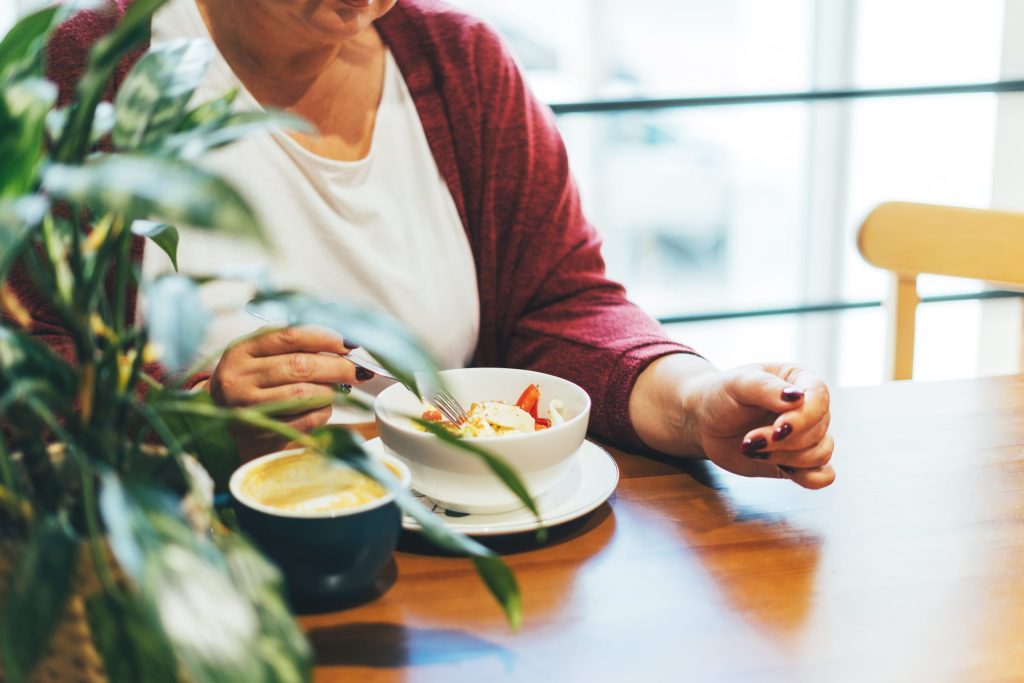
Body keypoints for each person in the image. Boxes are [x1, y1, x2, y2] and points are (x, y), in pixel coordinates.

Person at [35, 0, 834, 488]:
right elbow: (29, 363)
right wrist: (194, 422)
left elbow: (562, 304)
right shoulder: (95, 70)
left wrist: (700, 404)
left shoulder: (459, 64)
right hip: (190, 577)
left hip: (455, 558)